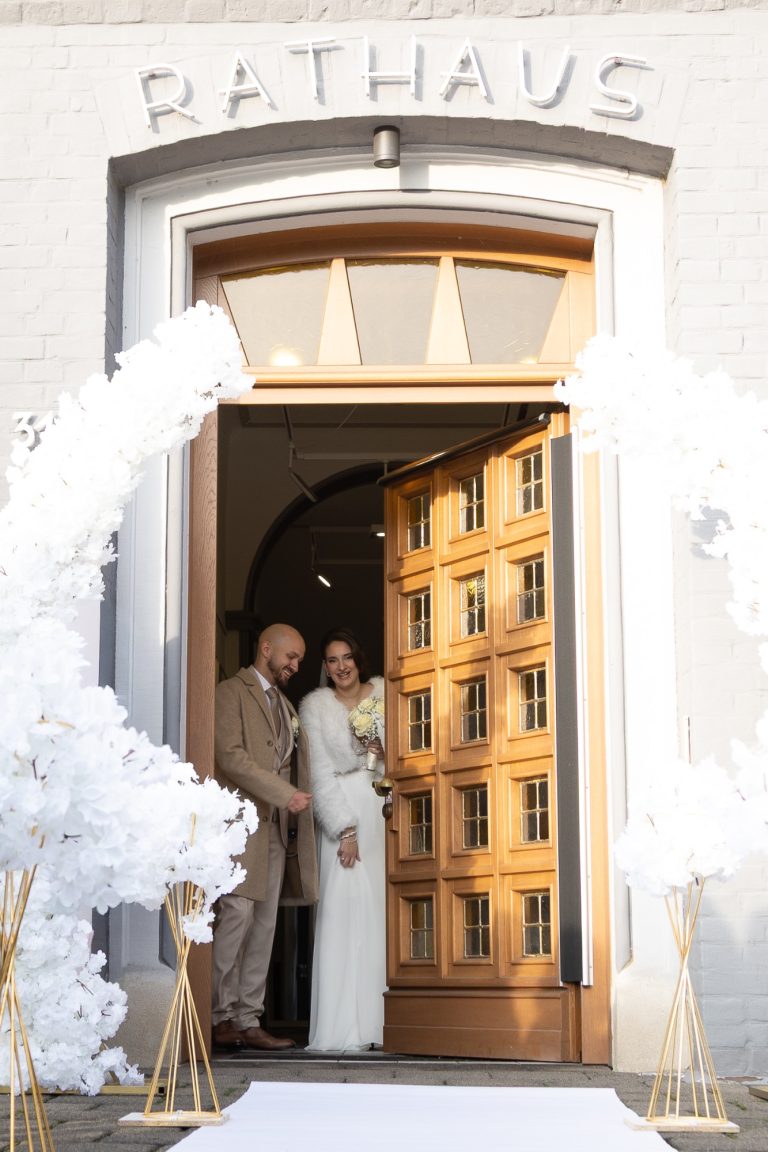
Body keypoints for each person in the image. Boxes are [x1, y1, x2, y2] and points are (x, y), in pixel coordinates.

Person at [212, 623, 318, 1052]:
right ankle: (219, 1017)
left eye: (299, 661)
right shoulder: (230, 692)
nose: (295, 666)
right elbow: (229, 756)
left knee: (264, 923)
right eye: (291, 657)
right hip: (240, 824)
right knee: (236, 913)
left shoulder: (286, 705)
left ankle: (248, 1018)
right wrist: (284, 793)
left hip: (276, 826)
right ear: (266, 648)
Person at [299, 627, 386, 1051]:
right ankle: (342, 1028)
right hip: (344, 811)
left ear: (358, 657)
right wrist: (343, 828)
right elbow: (317, 771)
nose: (341, 667)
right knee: (344, 910)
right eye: (332, 660)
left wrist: (385, 750)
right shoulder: (315, 706)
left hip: (383, 805)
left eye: (346, 657)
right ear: (325, 666)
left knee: (381, 911)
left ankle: (383, 1023)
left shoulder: (386, 692)